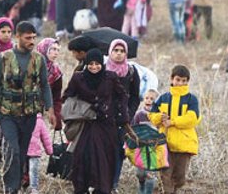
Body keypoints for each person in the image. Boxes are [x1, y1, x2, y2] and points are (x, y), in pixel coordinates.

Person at [0, 22, 55, 194]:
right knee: (14, 151)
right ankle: (10, 188)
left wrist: (50, 110)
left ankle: (16, 186)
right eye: (28, 38)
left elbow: (45, 86)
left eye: (34, 37)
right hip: (7, 114)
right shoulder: (4, 58)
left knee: (23, 153)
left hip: (29, 114)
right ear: (18, 37)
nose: (31, 41)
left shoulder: (39, 59)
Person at [63, 48, 128, 194]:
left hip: (106, 126)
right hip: (85, 125)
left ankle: (102, 189)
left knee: (104, 160)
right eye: (90, 63)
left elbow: (122, 96)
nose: (94, 67)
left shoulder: (110, 77)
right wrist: (81, 108)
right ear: (86, 64)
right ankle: (82, 189)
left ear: (102, 64)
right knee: (82, 159)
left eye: (97, 63)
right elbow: (68, 96)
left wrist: (121, 116)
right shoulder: (78, 78)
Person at [149, 65, 201, 194]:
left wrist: (172, 122)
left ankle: (174, 190)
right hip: (164, 142)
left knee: (180, 178)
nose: (180, 83)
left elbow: (192, 119)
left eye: (184, 81)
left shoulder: (191, 99)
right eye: (178, 80)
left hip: (184, 143)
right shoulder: (163, 98)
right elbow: (152, 115)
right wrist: (160, 118)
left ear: (187, 81)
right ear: (171, 79)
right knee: (165, 175)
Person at [107, 39, 141, 191]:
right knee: (104, 149)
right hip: (105, 118)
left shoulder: (132, 71)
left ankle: (114, 182)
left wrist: (129, 113)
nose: (119, 54)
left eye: (122, 51)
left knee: (119, 151)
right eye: (116, 50)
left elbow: (135, 96)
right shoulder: (103, 69)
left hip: (124, 120)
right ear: (110, 52)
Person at [132, 89, 160, 194]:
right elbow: (133, 129)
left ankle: (147, 192)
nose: (149, 100)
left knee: (150, 173)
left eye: (152, 99)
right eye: (147, 98)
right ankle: (141, 183)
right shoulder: (139, 115)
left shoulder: (158, 116)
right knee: (140, 173)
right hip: (141, 148)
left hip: (153, 149)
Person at [37, 38, 63, 130]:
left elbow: (56, 97)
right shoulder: (31, 65)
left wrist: (56, 115)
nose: (56, 53)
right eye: (53, 49)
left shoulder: (56, 72)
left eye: (58, 50)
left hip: (40, 112)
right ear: (44, 48)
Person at [26, 112, 53, 194]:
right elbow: (46, 137)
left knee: (31, 170)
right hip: (33, 151)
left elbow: (45, 138)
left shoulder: (38, 121)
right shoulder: (39, 121)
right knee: (33, 171)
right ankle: (32, 188)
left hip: (31, 152)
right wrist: (50, 151)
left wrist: (49, 150)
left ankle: (33, 188)